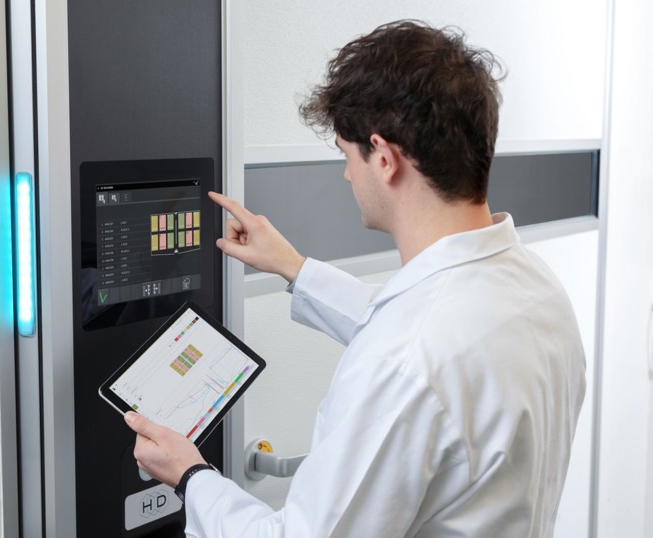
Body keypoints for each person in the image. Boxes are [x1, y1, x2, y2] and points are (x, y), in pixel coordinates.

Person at [124, 19, 586, 537]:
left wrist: (191, 476)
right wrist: (294, 267)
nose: (346, 174)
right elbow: (412, 327)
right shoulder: (536, 289)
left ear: (384, 159)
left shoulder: (405, 359)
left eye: (348, 156)